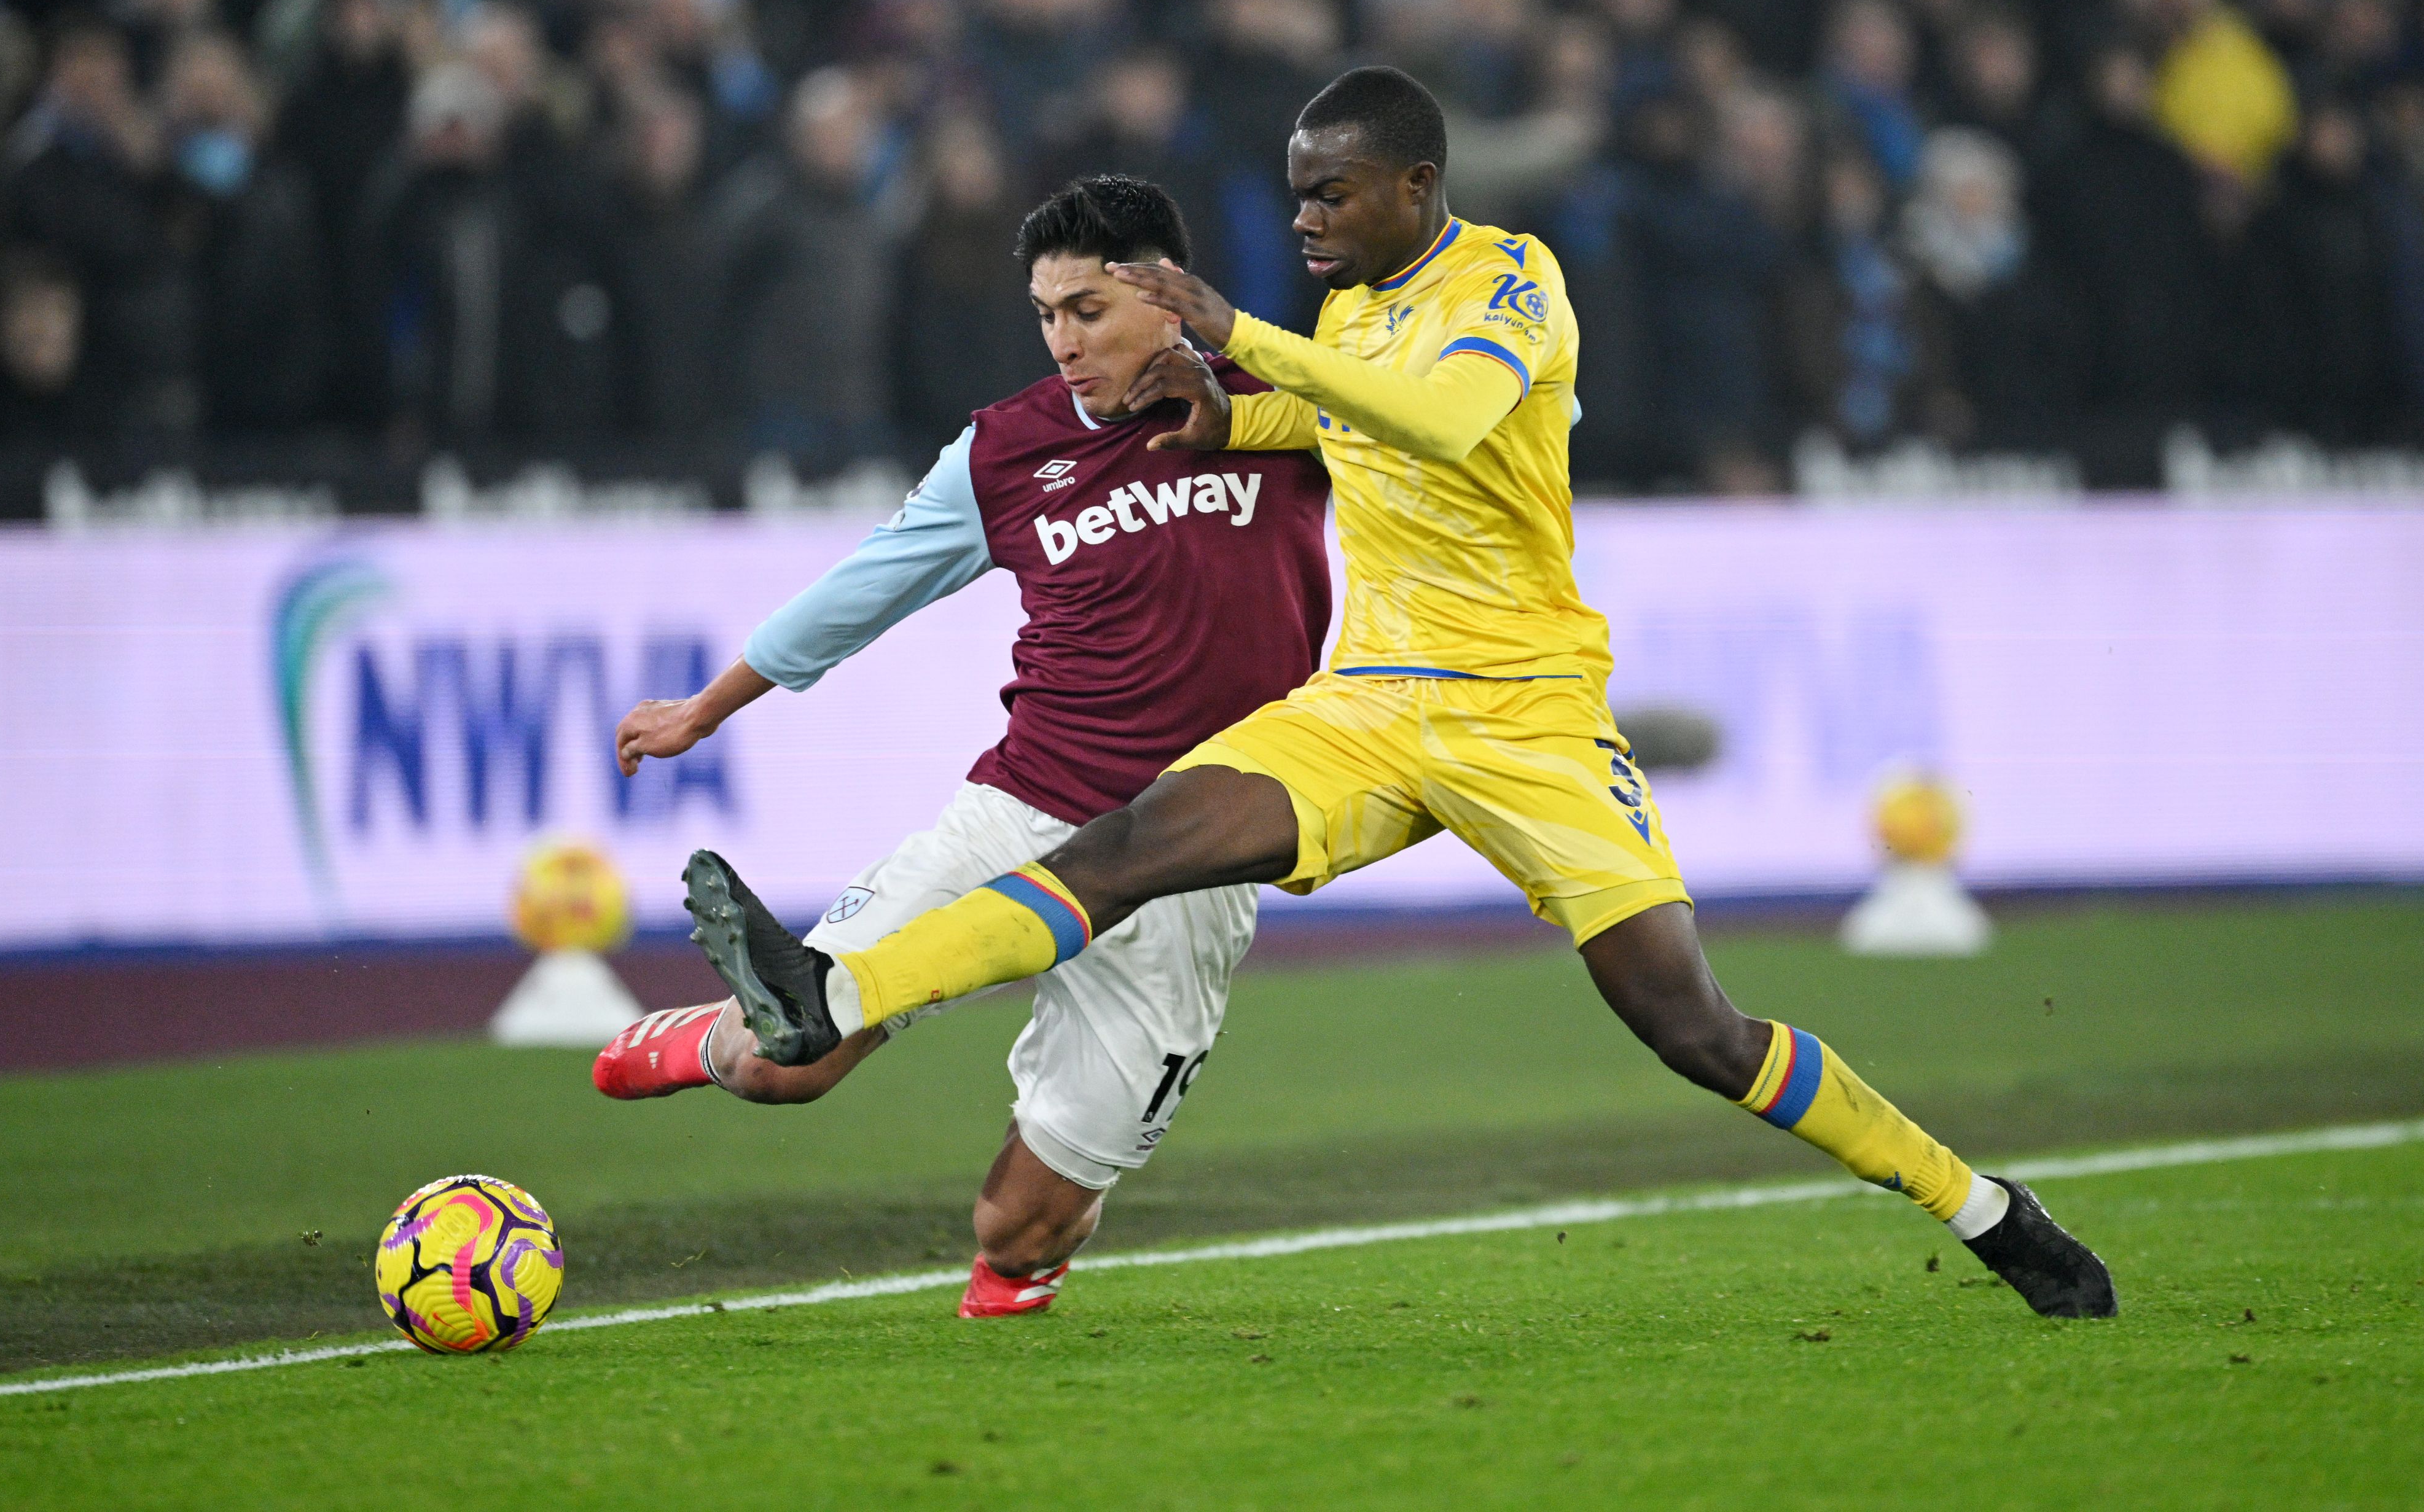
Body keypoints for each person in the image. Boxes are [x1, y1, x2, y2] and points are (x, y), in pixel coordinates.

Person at [687, 68, 2119, 1320]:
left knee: (1693, 1030)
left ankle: (1981, 1208)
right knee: (1127, 843)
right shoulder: (1344, 312)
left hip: (1524, 714)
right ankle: (832, 989)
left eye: (1331, 193)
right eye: (1296, 195)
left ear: (1415, 185)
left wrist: (1245, 336)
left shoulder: (1509, 279)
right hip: (1366, 701)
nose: (1304, 217)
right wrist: (1229, 409)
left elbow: (1435, 419)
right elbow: (1318, 413)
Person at [601, 175, 1333, 1318]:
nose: (1064, 342)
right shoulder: (1003, 453)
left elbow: (1460, 433)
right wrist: (709, 706)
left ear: (1170, 296)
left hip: (1195, 858)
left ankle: (1019, 1274)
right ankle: (712, 1037)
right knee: (786, 1062)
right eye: (1047, 315)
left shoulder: (1285, 405)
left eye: (1088, 309)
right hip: (1028, 814)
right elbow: (866, 589)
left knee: (1021, 1222)